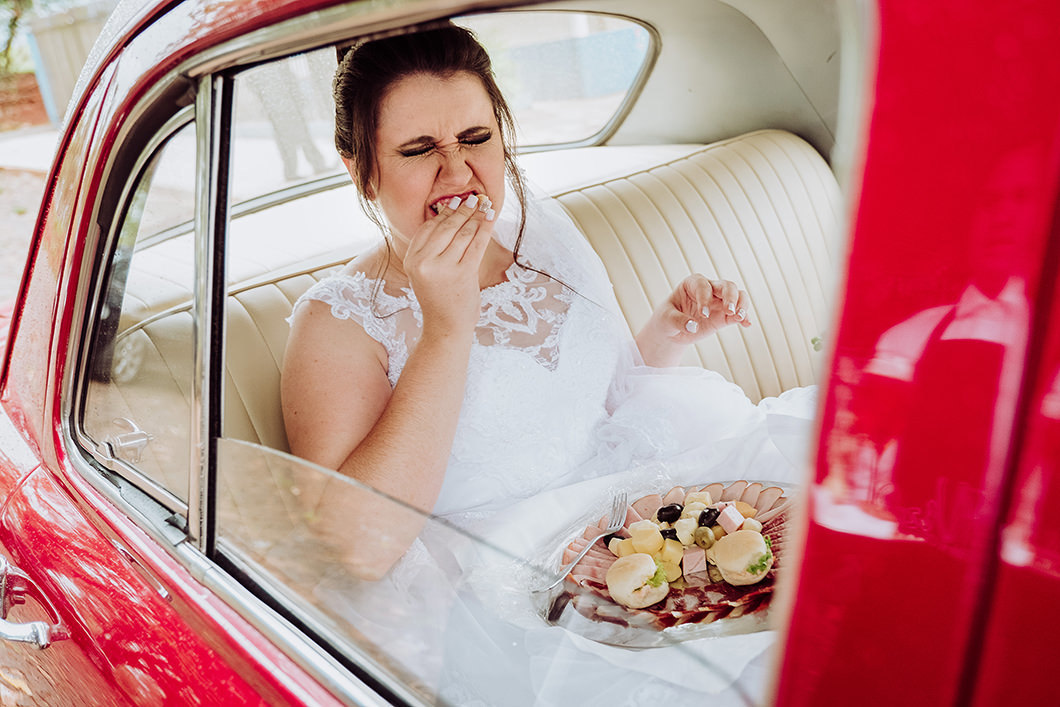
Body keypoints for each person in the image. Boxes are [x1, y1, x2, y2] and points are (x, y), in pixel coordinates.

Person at [281, 22, 816, 705]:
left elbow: (599, 399)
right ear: (362, 168)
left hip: (649, 523)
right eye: (418, 150)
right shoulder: (338, 321)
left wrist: (671, 330)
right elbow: (360, 548)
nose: (457, 173)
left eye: (476, 138)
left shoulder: (545, 231)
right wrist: (445, 329)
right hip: (521, 601)